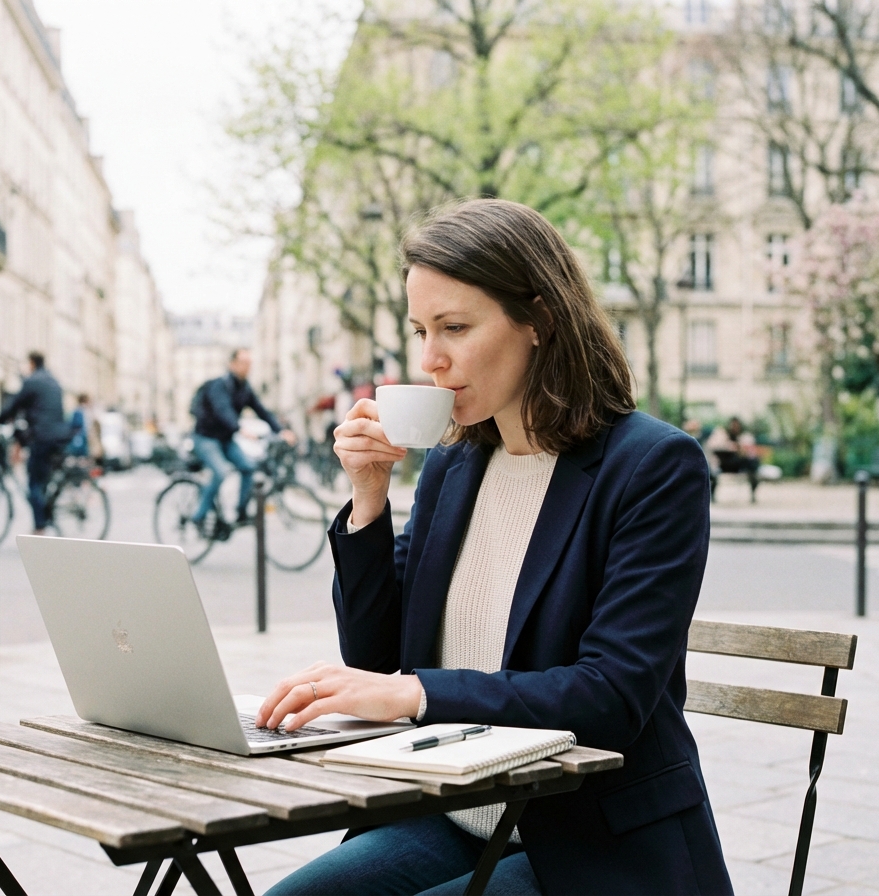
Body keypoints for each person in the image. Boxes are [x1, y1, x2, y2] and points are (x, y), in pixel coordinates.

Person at [257, 200, 732, 895]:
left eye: (455, 327)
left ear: (537, 320)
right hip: (457, 814)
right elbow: (379, 662)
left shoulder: (652, 466)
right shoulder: (455, 465)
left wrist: (413, 694)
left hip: (590, 841)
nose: (430, 358)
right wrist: (368, 498)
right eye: (421, 329)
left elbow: (612, 694)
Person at [190, 348, 295, 533]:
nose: (248, 367)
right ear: (232, 364)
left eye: (250, 363)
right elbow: (223, 410)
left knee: (248, 467)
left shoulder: (244, 389)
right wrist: (240, 428)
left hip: (225, 440)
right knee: (221, 472)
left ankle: (240, 512)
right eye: (244, 363)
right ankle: (199, 516)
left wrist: (282, 431)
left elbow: (262, 410)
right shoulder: (219, 385)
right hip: (205, 438)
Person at [0, 351, 70, 535]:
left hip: (42, 436)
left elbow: (14, 405)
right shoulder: (53, 380)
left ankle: (40, 525)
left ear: (32, 363)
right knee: (42, 479)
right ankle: (45, 511)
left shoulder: (32, 381)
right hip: (59, 436)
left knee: (33, 482)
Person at [705, 416, 760, 503]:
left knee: (752, 463)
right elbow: (712, 447)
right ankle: (712, 494)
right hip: (724, 463)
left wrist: (741, 449)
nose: (735, 427)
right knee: (712, 471)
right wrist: (730, 446)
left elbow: (749, 451)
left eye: (737, 425)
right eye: (733, 425)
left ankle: (753, 492)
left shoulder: (744, 436)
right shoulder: (721, 434)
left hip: (739, 463)